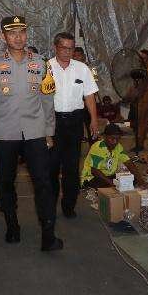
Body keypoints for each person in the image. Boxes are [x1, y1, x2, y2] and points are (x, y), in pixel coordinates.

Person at [0, 15, 63, 252]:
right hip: (5, 133)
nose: (18, 37)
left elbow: (47, 99)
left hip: (35, 132)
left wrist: (49, 131)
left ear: (26, 34)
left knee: (43, 182)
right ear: (3, 36)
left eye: (21, 32)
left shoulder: (40, 63)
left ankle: (48, 235)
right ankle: (12, 226)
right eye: (12, 33)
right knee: (5, 182)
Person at [48, 32, 99, 219]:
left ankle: (69, 205)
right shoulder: (46, 68)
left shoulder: (82, 69)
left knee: (71, 167)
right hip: (52, 123)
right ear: (55, 47)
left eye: (71, 48)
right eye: (64, 48)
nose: (68, 52)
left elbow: (89, 95)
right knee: (51, 166)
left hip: (74, 122)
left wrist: (94, 120)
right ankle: (50, 204)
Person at [81, 123, 147, 189]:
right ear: (104, 136)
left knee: (133, 179)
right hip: (92, 177)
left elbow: (129, 163)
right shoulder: (98, 147)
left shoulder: (118, 147)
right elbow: (94, 171)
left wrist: (141, 181)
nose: (115, 142)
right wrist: (111, 183)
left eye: (117, 139)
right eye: (112, 139)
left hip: (108, 176)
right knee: (112, 186)